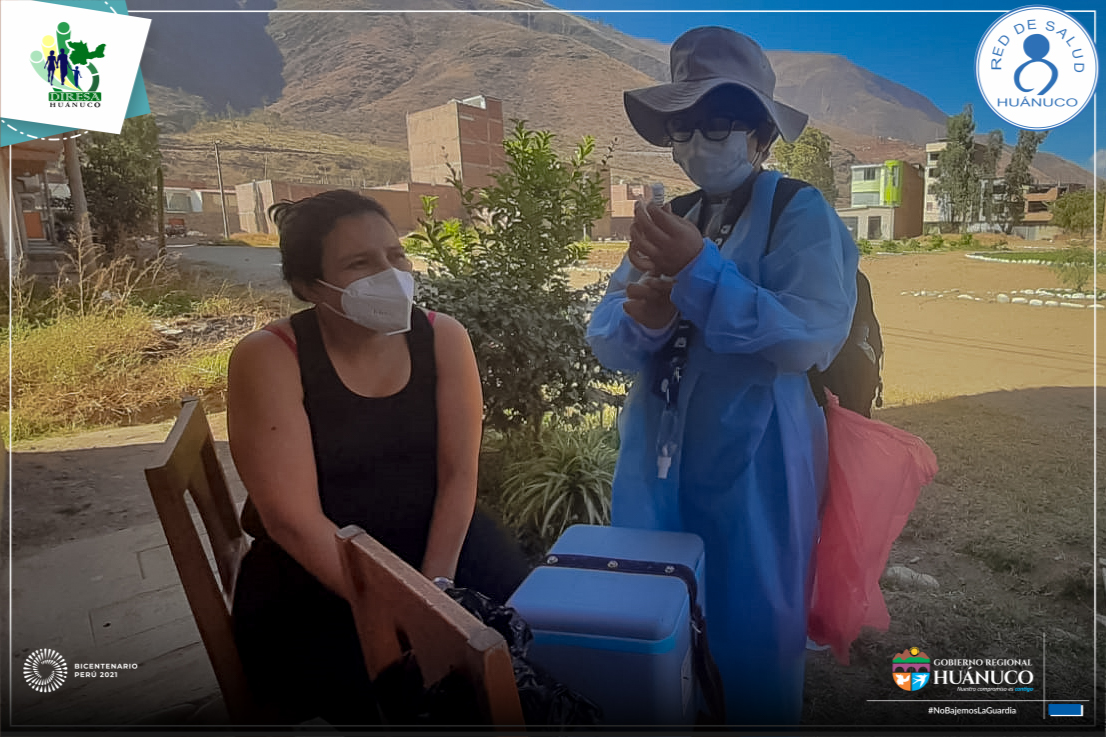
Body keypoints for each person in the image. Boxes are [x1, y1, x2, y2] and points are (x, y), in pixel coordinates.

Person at [587, 27, 858, 725]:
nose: (695, 143)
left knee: (752, 629)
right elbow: (608, 335)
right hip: (655, 458)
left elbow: (810, 334)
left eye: (716, 125)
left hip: (758, 462)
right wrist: (646, 317)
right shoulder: (673, 216)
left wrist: (699, 272)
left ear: (760, 135)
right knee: (656, 615)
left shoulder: (798, 211)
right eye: (682, 128)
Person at [227, 190, 530, 725]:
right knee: (406, 696)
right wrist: (400, 614)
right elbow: (292, 521)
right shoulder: (271, 357)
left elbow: (459, 475)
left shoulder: (442, 337)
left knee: (524, 649)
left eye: (395, 255)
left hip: (440, 545)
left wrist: (436, 595)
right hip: (322, 574)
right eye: (360, 263)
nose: (390, 275)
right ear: (309, 286)